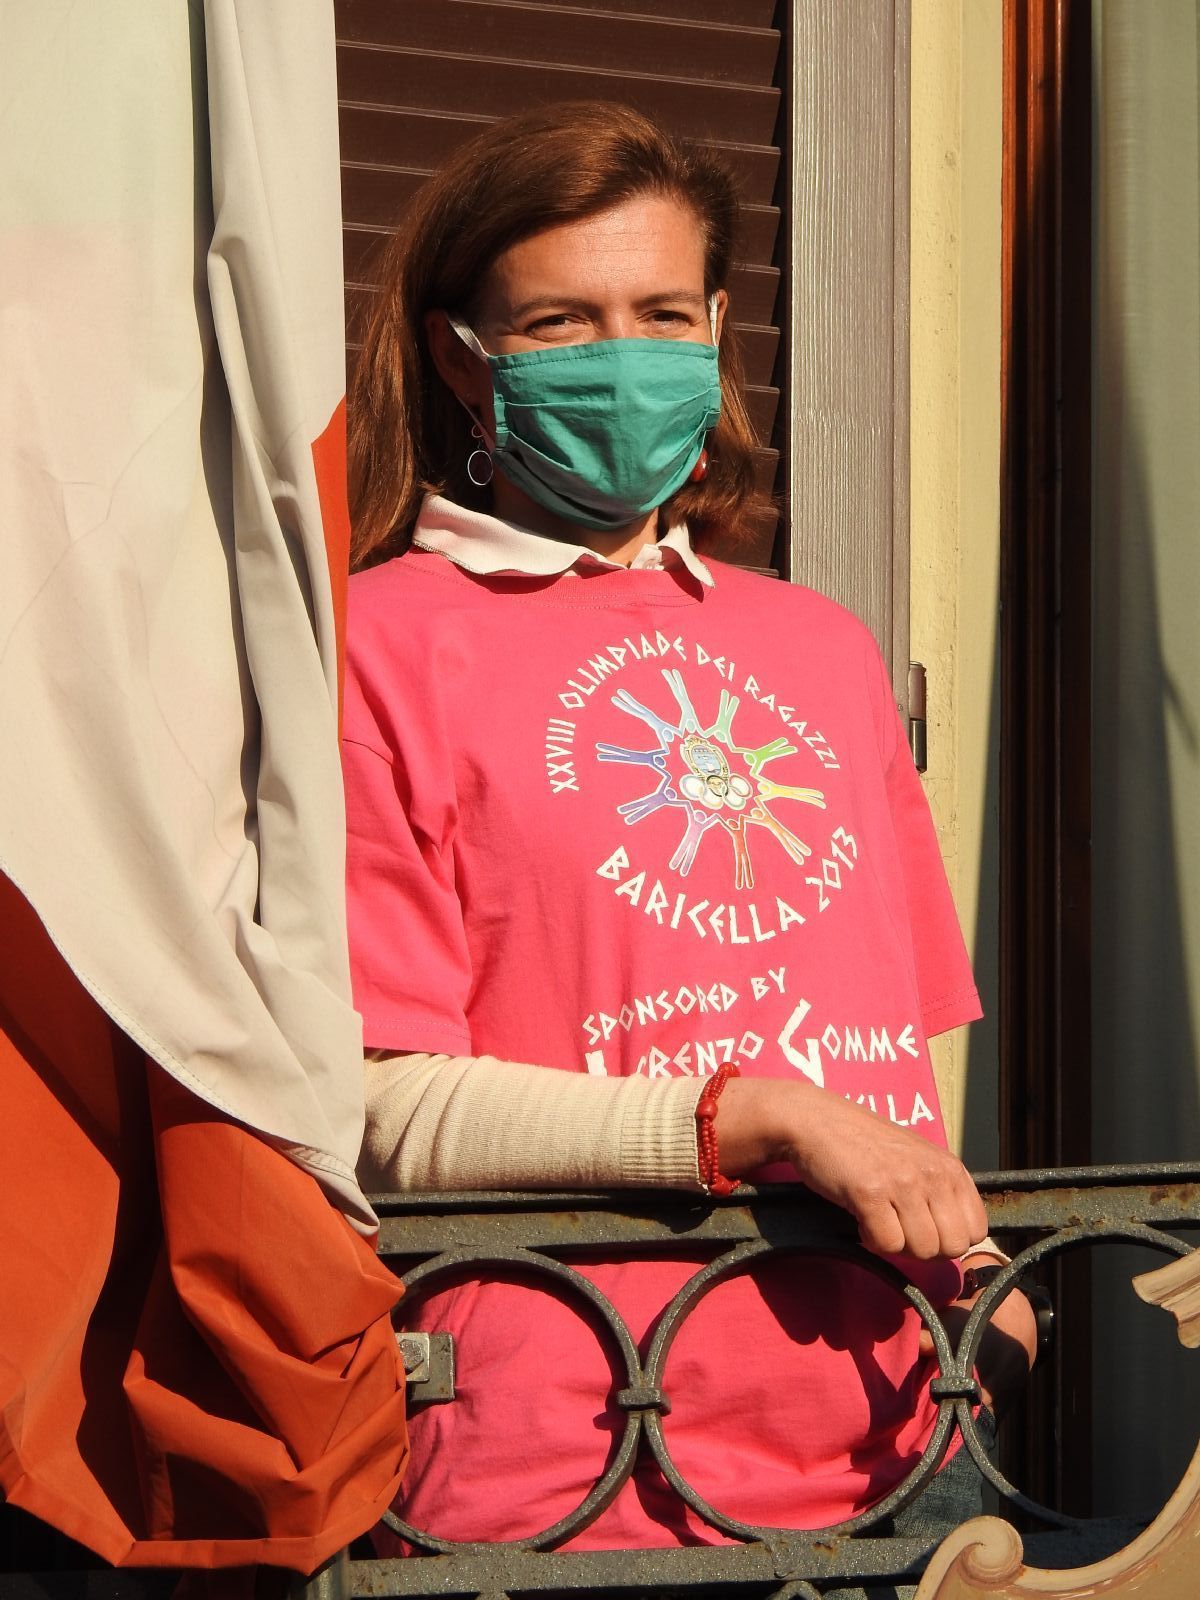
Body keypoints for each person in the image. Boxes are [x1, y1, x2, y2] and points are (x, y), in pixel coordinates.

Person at [341, 100, 1037, 1555]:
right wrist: (749, 1117)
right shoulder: (369, 645)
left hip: (912, 1444)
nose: (624, 356)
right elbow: (377, 1110)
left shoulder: (823, 649)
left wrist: (977, 1270)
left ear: (718, 331)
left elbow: (891, 1057)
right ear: (463, 361)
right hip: (576, 1476)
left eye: (662, 315)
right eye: (561, 323)